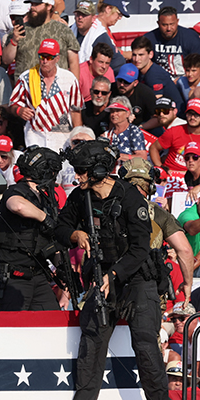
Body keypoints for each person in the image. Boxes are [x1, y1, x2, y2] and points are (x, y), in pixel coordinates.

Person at [56, 139, 168, 400]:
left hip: (136, 280)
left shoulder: (130, 197)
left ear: (97, 171)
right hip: (100, 278)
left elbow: (140, 249)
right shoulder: (79, 196)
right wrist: (75, 234)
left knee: (145, 347)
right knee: (91, 344)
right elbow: (59, 228)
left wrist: (113, 274)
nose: (77, 176)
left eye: (82, 170)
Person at [118, 158, 194, 304]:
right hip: (146, 292)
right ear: (151, 186)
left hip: (111, 284)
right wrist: (187, 283)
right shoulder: (158, 213)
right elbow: (184, 250)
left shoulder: (108, 209)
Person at [0, 145, 62, 310]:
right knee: (12, 328)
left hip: (38, 275)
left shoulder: (46, 200)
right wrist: (44, 218)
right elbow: (17, 205)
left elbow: (50, 240)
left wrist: (62, 269)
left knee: (51, 321)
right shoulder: (17, 190)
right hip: (14, 277)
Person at [9, 38, 83, 151]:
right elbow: (13, 105)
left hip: (62, 138)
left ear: (57, 58)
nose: (44, 61)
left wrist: (78, 138)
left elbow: (76, 111)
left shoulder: (69, 79)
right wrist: (19, 110)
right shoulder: (26, 77)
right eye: (42, 56)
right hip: (35, 136)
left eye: (49, 57)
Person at [2, 0, 80, 79]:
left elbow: (73, 63)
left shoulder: (63, 30)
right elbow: (6, 60)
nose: (32, 7)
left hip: (56, 87)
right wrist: (14, 41)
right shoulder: (19, 30)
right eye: (32, 4)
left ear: (49, 6)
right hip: (27, 87)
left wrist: (75, 88)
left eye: (37, 4)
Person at [132, 36, 186, 119]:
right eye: (134, 55)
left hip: (174, 118)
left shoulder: (154, 75)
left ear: (151, 54)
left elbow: (156, 104)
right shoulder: (141, 71)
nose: (136, 59)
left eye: (141, 55)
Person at [143, 7, 200, 80]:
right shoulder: (149, 39)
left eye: (172, 24)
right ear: (158, 23)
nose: (169, 28)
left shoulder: (191, 37)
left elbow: (198, 66)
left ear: (177, 21)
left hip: (187, 81)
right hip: (158, 80)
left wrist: (182, 81)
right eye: (164, 25)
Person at [70, 0, 127, 73]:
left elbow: (117, 62)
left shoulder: (99, 34)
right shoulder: (70, 31)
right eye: (78, 14)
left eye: (84, 14)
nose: (80, 17)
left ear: (93, 18)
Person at [151, 100, 200, 173]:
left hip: (194, 178)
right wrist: (161, 169)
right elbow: (153, 148)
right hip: (171, 175)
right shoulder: (174, 131)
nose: (192, 117)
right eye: (190, 114)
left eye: (196, 114)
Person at [113, 63, 160, 133]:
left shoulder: (145, 93)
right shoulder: (111, 90)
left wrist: (140, 127)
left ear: (135, 83)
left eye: (126, 82)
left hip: (142, 126)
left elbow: (157, 118)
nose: (122, 84)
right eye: (120, 80)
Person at [102, 96, 147, 161]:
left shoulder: (134, 131)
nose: (114, 114)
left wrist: (119, 156)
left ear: (128, 113)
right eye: (112, 111)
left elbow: (142, 157)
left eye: (118, 111)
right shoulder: (107, 134)